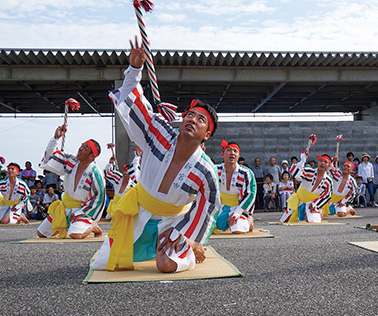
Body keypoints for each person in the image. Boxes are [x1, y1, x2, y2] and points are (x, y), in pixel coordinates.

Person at [92, 37, 220, 273]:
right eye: (190, 114)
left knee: (166, 265)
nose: (192, 119)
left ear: (207, 135)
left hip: (172, 222)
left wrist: (187, 235)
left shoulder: (206, 170)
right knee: (105, 264)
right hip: (138, 211)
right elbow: (135, 103)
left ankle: (190, 250)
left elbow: (208, 207)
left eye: (200, 119)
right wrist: (135, 68)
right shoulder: (159, 131)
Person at [36, 126, 105, 239]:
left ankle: (92, 225)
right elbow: (50, 157)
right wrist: (55, 138)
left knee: (75, 235)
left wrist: (80, 213)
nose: (80, 148)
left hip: (82, 210)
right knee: (42, 233)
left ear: (92, 156)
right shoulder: (71, 160)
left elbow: (99, 198)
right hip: (64, 206)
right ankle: (68, 224)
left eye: (85, 148)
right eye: (81, 145)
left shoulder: (96, 173)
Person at [215, 140, 256, 234]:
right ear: (222, 154)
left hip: (239, 207)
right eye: (228, 150)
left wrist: (236, 213)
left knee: (238, 229)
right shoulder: (215, 170)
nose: (232, 153)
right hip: (219, 206)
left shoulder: (246, 173)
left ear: (238, 156)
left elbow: (250, 194)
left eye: (235, 151)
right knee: (209, 227)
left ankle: (249, 221)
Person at [280, 150, 333, 223]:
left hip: (312, 202)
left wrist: (315, 204)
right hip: (299, 198)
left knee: (313, 221)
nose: (322, 163)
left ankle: (319, 211)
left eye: (325, 162)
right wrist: (302, 161)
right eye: (321, 161)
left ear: (329, 165)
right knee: (285, 220)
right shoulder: (309, 171)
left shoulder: (328, 181)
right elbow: (295, 174)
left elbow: (327, 195)